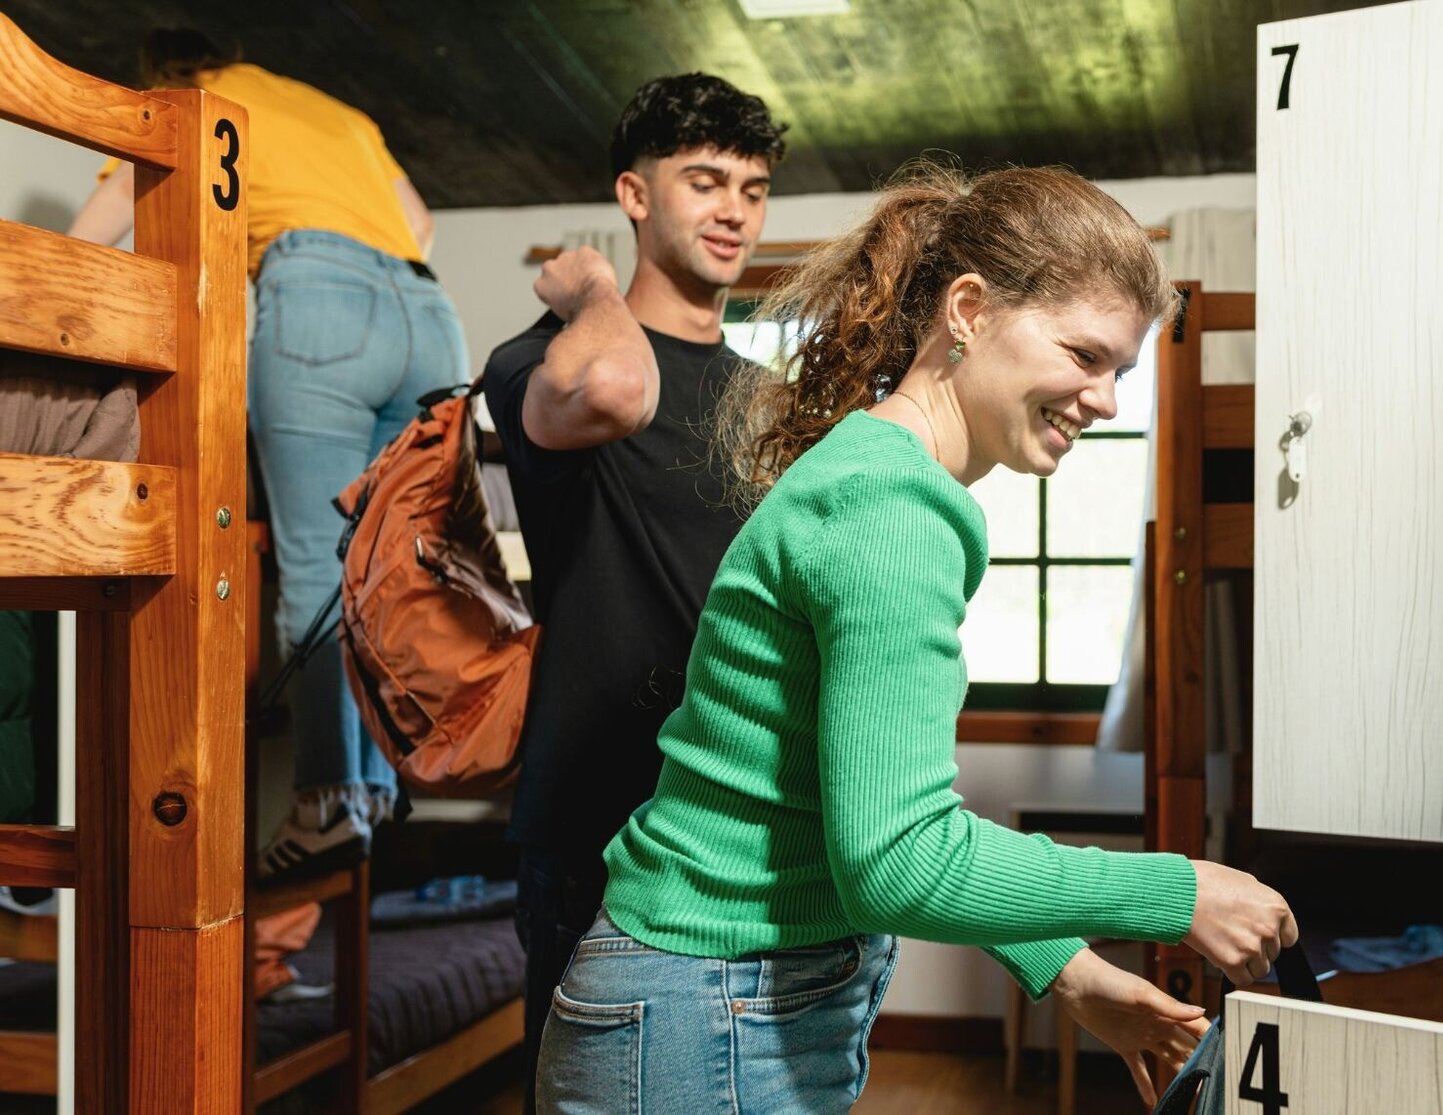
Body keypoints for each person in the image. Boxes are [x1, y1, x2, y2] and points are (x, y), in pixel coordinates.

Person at [536, 162, 1298, 1113]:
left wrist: (1066, 968)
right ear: (968, 310)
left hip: (696, 997)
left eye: (1121, 372)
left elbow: (851, 805)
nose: (1106, 399)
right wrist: (1181, 893)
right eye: (1085, 354)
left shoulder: (877, 475)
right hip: (705, 1012)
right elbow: (898, 858)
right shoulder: (893, 508)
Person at [67, 29, 469, 881]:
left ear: (168, 72)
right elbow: (421, 224)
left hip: (319, 297)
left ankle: (326, 801)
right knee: (383, 568)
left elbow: (97, 232)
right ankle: (369, 793)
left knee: (317, 566)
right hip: (431, 317)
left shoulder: (191, 102)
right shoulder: (338, 113)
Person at [480, 73, 784, 1104]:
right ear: (634, 193)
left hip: (733, 816)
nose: (734, 209)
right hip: (593, 821)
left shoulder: (769, 401)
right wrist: (589, 291)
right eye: (704, 181)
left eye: (752, 188)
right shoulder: (543, 358)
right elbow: (614, 390)